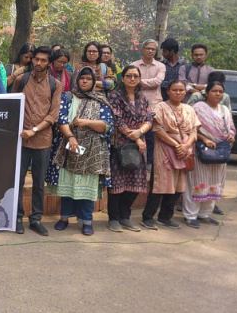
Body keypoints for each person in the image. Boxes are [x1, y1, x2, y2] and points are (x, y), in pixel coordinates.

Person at [49, 66, 113, 236]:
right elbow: (61, 120)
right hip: (70, 147)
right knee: (68, 184)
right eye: (82, 78)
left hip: (93, 151)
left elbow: (107, 126)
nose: (85, 81)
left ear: (93, 82)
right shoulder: (68, 97)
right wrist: (71, 137)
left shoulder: (100, 100)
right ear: (76, 80)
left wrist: (85, 122)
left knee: (87, 187)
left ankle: (86, 221)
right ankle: (64, 218)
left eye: (89, 79)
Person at [14, 46, 62, 235]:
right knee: (17, 181)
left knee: (38, 183)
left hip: (42, 140)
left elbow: (53, 115)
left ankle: (35, 219)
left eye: (43, 60)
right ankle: (18, 218)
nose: (39, 63)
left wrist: (33, 130)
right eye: (36, 59)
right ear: (32, 60)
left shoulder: (55, 84)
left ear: (49, 63)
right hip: (21, 140)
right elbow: (13, 103)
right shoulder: (21, 79)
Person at [141, 80, 200, 230]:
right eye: (175, 90)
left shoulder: (189, 109)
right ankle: (148, 217)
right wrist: (176, 145)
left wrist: (186, 146)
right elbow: (158, 129)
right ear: (168, 91)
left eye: (181, 90)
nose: (178, 92)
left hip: (184, 152)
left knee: (178, 185)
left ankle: (165, 217)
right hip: (164, 150)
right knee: (160, 184)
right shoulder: (160, 107)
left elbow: (194, 131)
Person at [106, 65, 153, 232]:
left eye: (135, 76)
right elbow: (117, 119)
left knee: (135, 183)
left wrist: (139, 134)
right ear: (123, 78)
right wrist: (134, 136)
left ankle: (125, 217)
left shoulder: (143, 98)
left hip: (139, 145)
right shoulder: (115, 96)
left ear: (139, 79)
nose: (132, 79)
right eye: (128, 76)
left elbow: (149, 118)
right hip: (120, 144)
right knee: (118, 184)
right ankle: (113, 219)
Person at [184, 81, 236, 228]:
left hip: (220, 151)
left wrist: (231, 135)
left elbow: (231, 128)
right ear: (207, 92)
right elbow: (191, 128)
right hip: (202, 150)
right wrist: (204, 138)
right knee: (196, 182)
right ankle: (190, 215)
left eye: (220, 91)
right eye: (214, 91)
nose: (218, 94)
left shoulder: (225, 109)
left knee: (214, 182)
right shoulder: (198, 108)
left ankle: (205, 214)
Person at [132, 39, 166, 164]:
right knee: (137, 133)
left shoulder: (161, 66)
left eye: (153, 49)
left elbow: (157, 82)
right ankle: (136, 163)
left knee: (152, 137)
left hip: (154, 106)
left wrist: (139, 81)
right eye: (148, 48)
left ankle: (150, 166)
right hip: (136, 104)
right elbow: (131, 82)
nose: (151, 51)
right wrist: (140, 82)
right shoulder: (134, 65)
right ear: (143, 49)